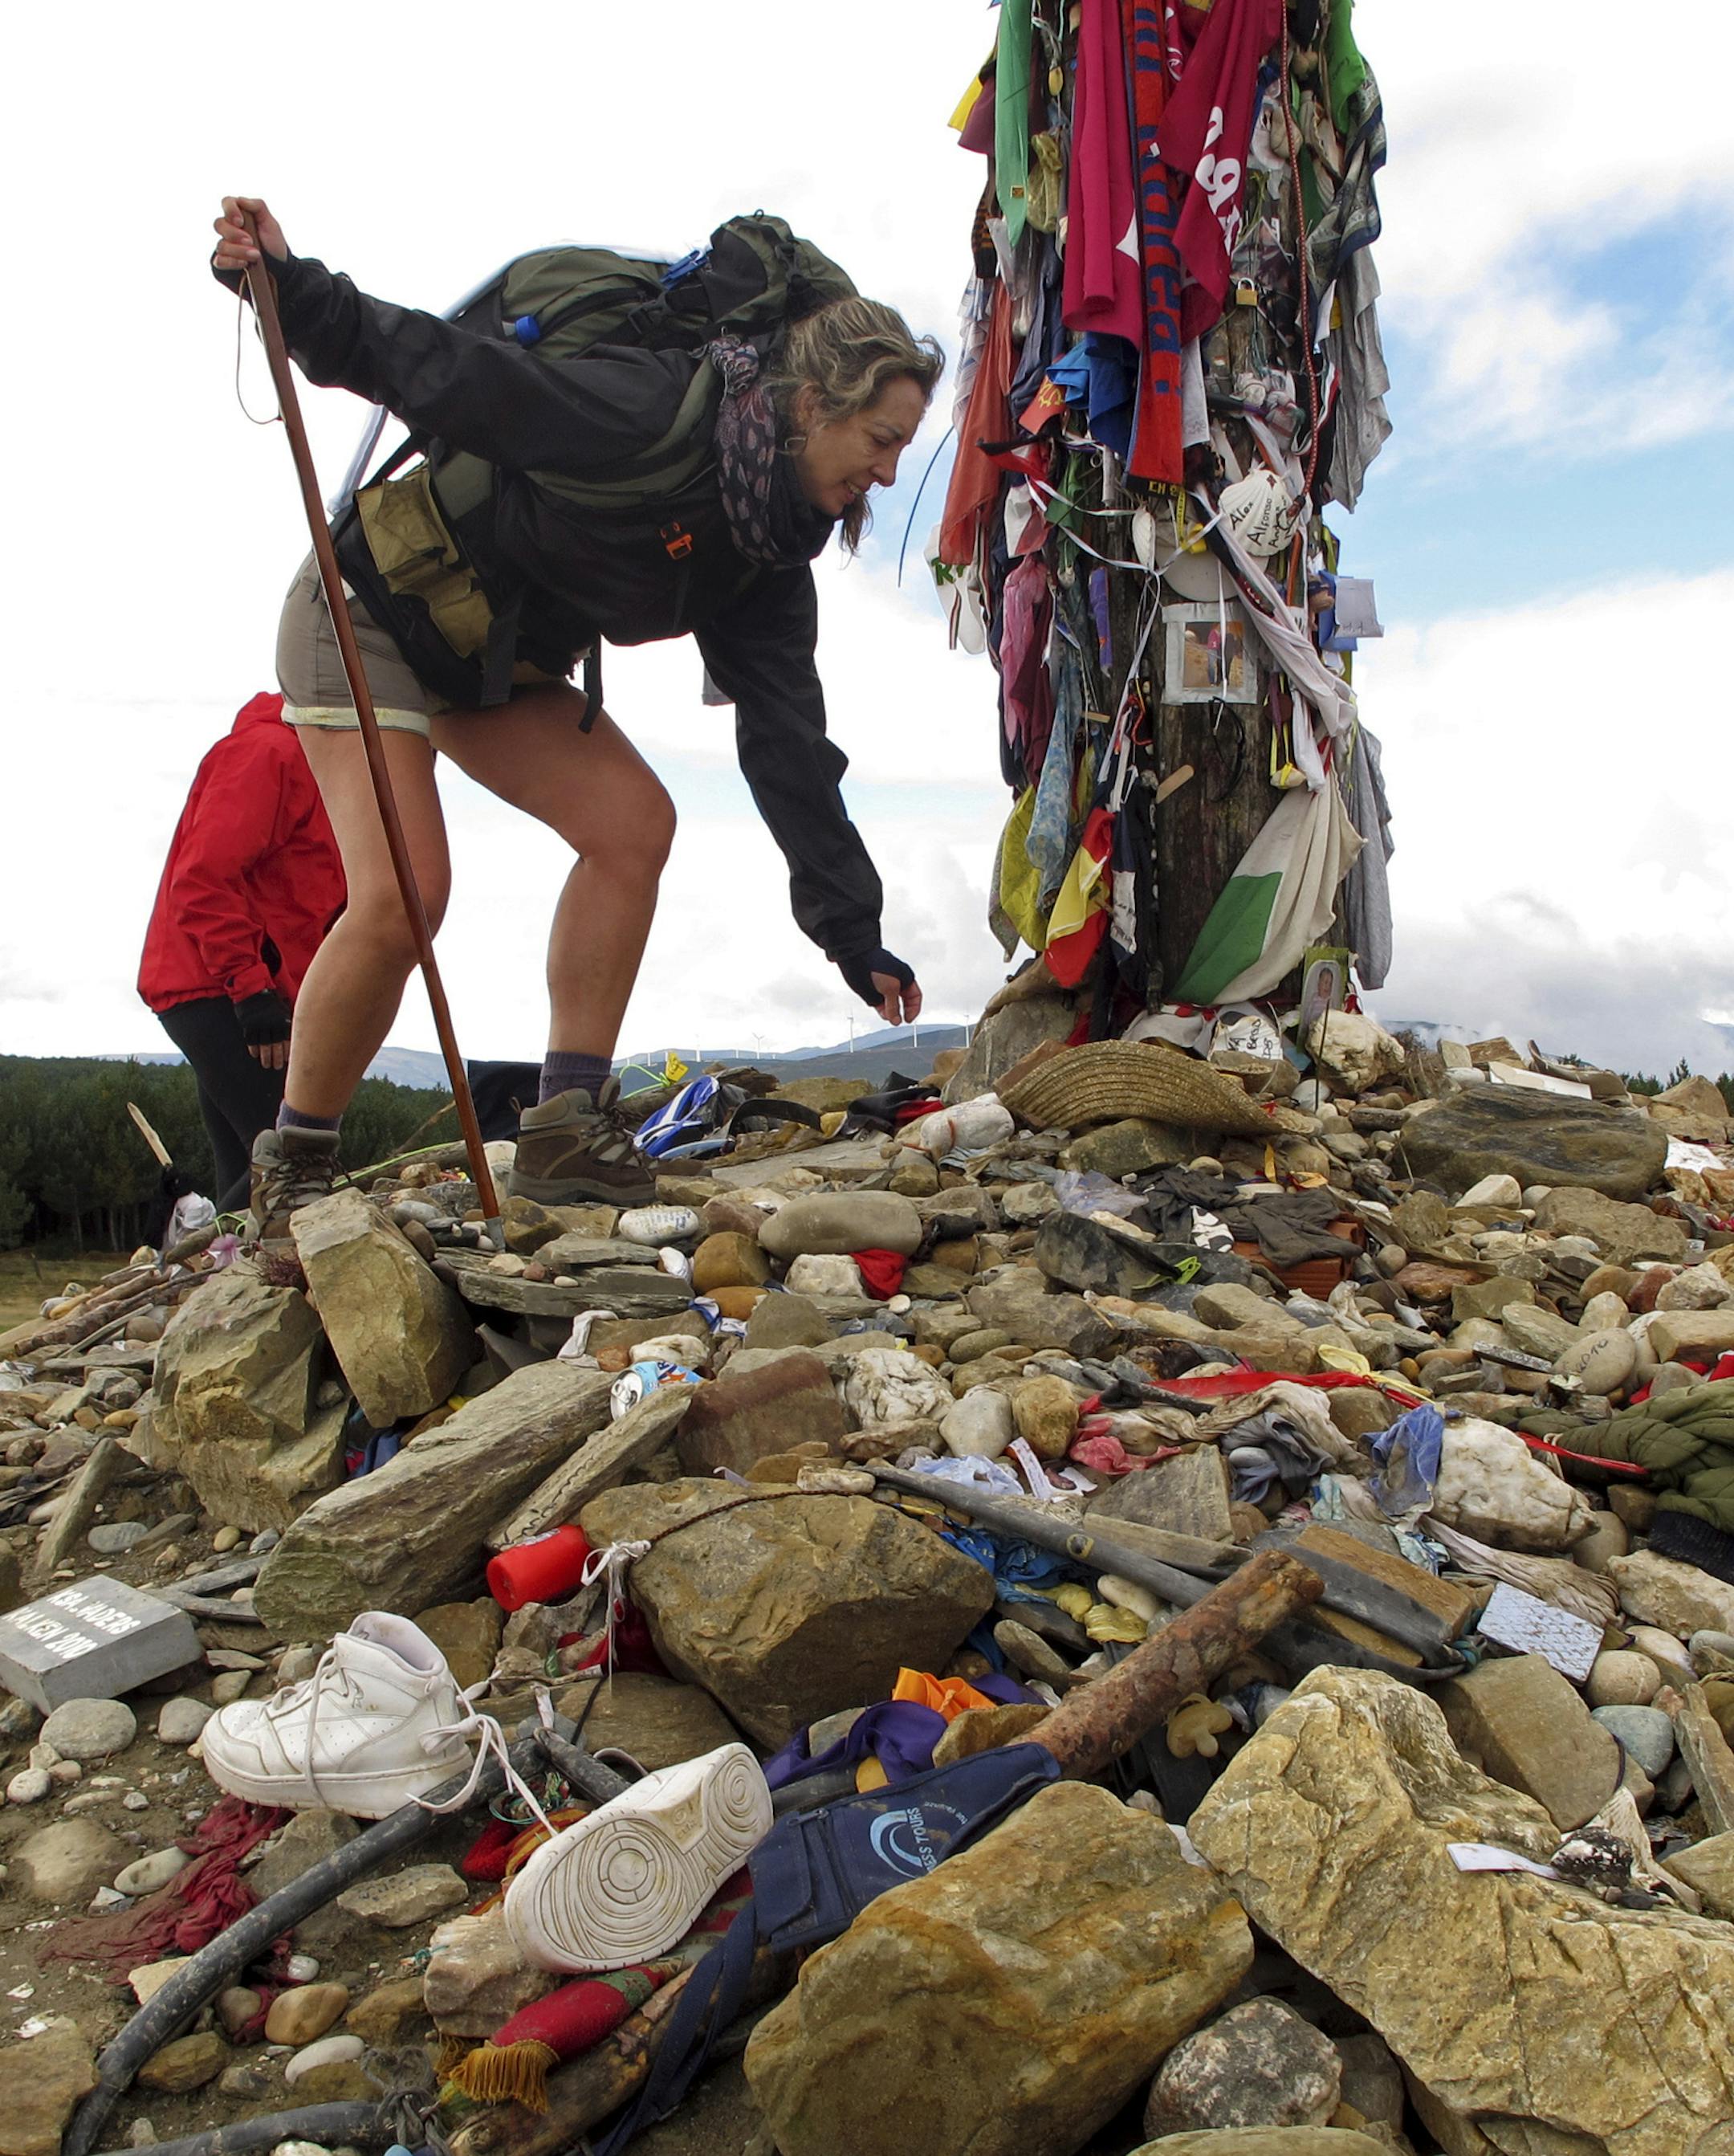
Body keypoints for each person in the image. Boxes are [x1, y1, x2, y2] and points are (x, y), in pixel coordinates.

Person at [211, 198, 940, 1238]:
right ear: (813, 401)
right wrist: (301, 298)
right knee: (407, 893)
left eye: (903, 448)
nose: (889, 469)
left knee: (634, 825)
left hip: (490, 659)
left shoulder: (765, 550)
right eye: (880, 438)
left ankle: (564, 1127)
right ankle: (296, 1166)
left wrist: (850, 928)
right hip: (368, 608)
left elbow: (788, 743)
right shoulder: (650, 411)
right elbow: (465, 382)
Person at [138, 691, 347, 1210]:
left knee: (252, 1163)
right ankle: (194, 1270)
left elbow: (313, 903)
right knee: (291, 1162)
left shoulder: (333, 775)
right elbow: (203, 878)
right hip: (220, 987)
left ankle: (212, 1278)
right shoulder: (269, 753)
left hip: (249, 991)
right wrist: (252, 989)